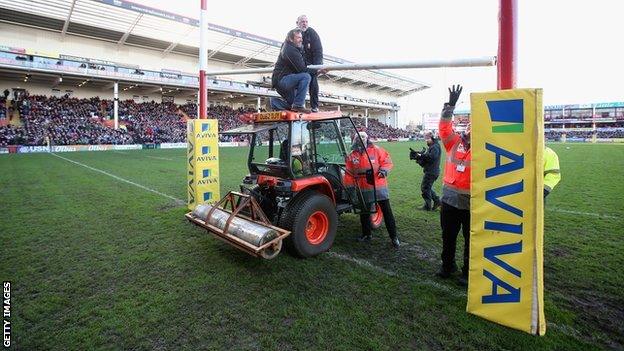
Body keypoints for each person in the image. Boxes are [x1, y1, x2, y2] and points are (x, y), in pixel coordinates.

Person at [437, 85, 471, 286]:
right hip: (449, 201)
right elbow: (444, 128)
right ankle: (447, 266)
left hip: (471, 203)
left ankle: (468, 273)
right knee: (448, 237)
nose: (469, 132)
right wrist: (450, 106)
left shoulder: (486, 149)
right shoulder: (454, 142)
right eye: (468, 129)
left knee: (471, 241)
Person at [345, 131, 400, 248]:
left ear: (367, 138)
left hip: (378, 189)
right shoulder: (352, 155)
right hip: (362, 189)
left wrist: (384, 171)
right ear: (355, 139)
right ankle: (366, 234)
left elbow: (387, 162)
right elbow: (349, 174)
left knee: (387, 212)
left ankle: (394, 237)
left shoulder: (377, 150)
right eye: (358, 137)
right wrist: (350, 189)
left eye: (363, 136)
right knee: (364, 214)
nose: (361, 138)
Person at [270, 29, 314, 113]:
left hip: (282, 82)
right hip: (282, 81)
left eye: (301, 37)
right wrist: (318, 71)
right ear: (290, 39)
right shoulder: (289, 49)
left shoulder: (291, 47)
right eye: (298, 38)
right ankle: (298, 105)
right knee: (306, 77)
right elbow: (302, 69)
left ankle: (274, 102)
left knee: (292, 106)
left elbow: (302, 64)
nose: (301, 40)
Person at [296, 15, 323, 113]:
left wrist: (318, 66)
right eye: (302, 21)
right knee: (296, 84)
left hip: (311, 65)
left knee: (313, 84)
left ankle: (314, 106)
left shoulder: (312, 33)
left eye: (306, 21)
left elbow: (318, 50)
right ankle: (296, 104)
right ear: (297, 23)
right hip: (298, 64)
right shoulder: (293, 34)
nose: (304, 23)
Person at [413, 131, 441, 211]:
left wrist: (421, 155)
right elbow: (428, 159)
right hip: (432, 170)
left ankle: (427, 206)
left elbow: (432, 157)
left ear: (432, 138)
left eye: (427, 139)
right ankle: (437, 201)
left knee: (425, 188)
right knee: (427, 187)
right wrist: (419, 157)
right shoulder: (433, 146)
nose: (426, 141)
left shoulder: (434, 147)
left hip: (431, 171)